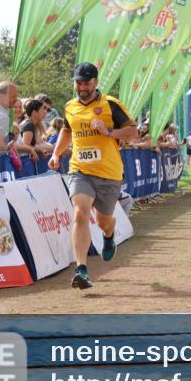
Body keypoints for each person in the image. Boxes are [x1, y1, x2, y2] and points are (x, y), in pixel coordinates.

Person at [49, 63, 138, 290]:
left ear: (96, 82)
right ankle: (81, 269)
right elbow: (67, 130)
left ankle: (109, 234)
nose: (82, 87)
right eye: (78, 83)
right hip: (80, 170)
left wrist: (109, 132)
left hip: (109, 174)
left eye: (86, 83)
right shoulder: (70, 107)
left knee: (103, 221)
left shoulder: (110, 104)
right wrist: (56, 154)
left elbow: (133, 133)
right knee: (80, 213)